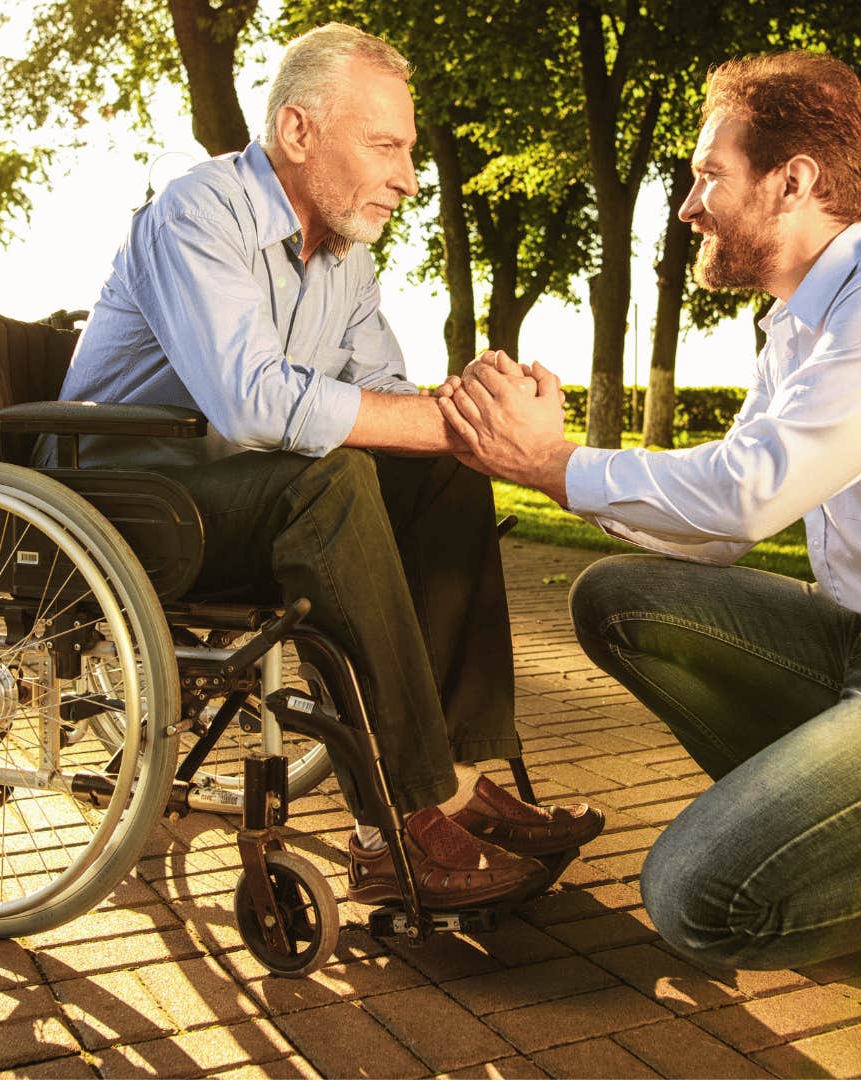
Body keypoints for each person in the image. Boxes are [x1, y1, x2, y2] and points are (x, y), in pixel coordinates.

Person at [436, 51, 861, 1041]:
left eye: (707, 174)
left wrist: (554, 464)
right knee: (618, 600)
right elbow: (717, 537)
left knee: (699, 903)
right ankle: (825, 836)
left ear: (794, 179)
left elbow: (750, 496)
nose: (688, 206)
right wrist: (553, 468)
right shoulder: (800, 326)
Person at [54, 23, 603, 910]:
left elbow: (384, 396)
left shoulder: (347, 257)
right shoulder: (199, 212)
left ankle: (458, 777)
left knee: (441, 472)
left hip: (243, 490)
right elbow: (251, 403)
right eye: (386, 146)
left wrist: (475, 405)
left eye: (410, 152)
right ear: (300, 132)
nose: (409, 178)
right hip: (134, 502)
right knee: (337, 479)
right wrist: (449, 424)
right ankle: (396, 820)